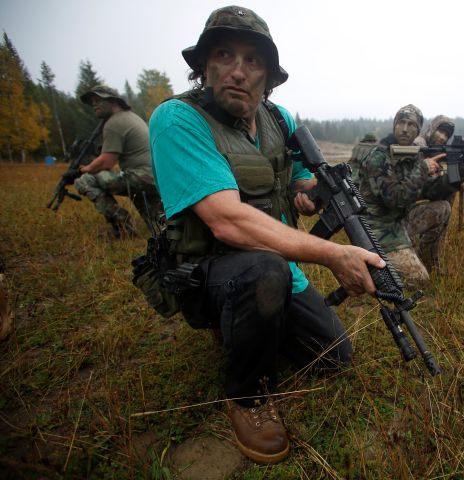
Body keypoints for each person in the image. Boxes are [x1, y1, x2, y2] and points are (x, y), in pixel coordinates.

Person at [147, 5, 383, 465]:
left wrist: (313, 193)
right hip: (207, 270)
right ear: (204, 66)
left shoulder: (279, 121)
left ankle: (251, 324)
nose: (238, 71)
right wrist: (333, 255)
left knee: (333, 358)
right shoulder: (178, 120)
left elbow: (298, 178)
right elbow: (226, 220)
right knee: (263, 271)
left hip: (277, 266)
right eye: (223, 55)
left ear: (269, 76)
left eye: (253, 61)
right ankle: (248, 397)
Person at [357, 106, 464, 285]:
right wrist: (423, 169)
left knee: (442, 208)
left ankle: (429, 262)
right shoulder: (379, 156)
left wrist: (455, 178)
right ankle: (369, 267)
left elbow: (428, 191)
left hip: (398, 222)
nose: (405, 129)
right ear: (394, 125)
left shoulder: (414, 155)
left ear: (418, 130)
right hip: (375, 229)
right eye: (401, 123)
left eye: (411, 125)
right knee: (418, 279)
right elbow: (394, 199)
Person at [74, 85, 163, 238]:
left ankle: (124, 226)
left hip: (140, 177)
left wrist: (84, 169)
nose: (94, 104)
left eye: (98, 100)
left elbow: (106, 163)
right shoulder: (131, 117)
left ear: (113, 102)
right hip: (155, 177)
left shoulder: (114, 123)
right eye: (92, 102)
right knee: (159, 229)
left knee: (84, 181)